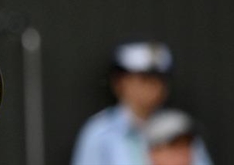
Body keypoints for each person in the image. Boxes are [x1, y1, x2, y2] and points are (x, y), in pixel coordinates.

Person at [70, 40, 213, 165]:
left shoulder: (180, 129)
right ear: (119, 83)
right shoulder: (99, 132)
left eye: (160, 81)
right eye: (144, 80)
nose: (154, 88)